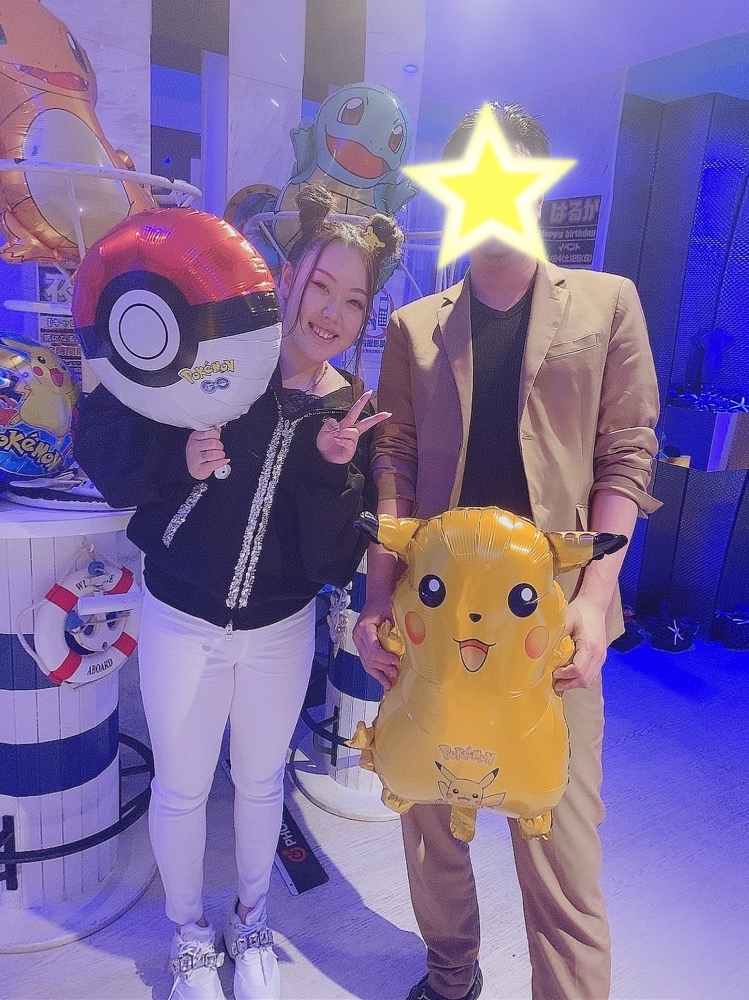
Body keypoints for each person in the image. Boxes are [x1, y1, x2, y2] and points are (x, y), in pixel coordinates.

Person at [353, 103, 661, 1000]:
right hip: (434, 613)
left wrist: (594, 601)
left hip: (550, 623)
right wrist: (375, 600)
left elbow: (625, 454)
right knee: (428, 820)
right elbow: (393, 461)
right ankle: (450, 973)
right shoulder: (416, 326)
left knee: (560, 836)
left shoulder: (607, 303)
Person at [74, 185, 403, 1000]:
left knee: (261, 785)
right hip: (180, 619)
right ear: (285, 279)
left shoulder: (349, 414)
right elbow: (107, 444)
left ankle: (250, 920)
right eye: (320, 286)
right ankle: (189, 934)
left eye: (352, 301)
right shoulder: (211, 360)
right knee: (182, 787)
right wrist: (176, 460)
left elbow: (331, 561)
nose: (330, 313)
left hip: (280, 632)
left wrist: (332, 472)